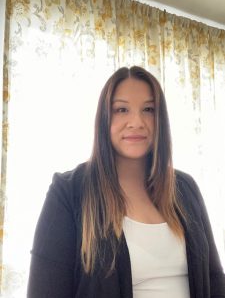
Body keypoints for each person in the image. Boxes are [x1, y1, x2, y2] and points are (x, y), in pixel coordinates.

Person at [27, 66, 225, 298]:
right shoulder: (69, 191)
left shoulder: (184, 187)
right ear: (104, 119)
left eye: (148, 109)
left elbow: (214, 279)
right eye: (122, 109)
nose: (136, 122)